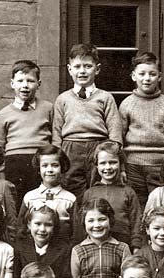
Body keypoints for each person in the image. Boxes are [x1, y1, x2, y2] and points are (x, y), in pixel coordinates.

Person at [52, 43, 123, 202]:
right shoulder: (62, 99)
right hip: (71, 148)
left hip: (98, 148)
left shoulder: (105, 97)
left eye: (87, 66)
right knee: (72, 192)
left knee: (98, 190)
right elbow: (56, 131)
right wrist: (58, 155)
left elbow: (115, 130)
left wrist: (111, 150)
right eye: (77, 66)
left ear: (97, 69)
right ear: (70, 70)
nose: (82, 71)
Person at [119, 52, 164, 206]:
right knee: (137, 205)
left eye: (152, 74)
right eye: (142, 74)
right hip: (133, 166)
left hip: (160, 165)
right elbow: (119, 138)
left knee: (162, 205)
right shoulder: (127, 104)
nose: (147, 78)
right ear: (133, 76)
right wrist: (122, 166)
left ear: (159, 76)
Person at [0, 60, 54, 209]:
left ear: (39, 83)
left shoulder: (48, 108)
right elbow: (0, 147)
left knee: (41, 204)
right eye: (20, 81)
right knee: (16, 204)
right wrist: (2, 176)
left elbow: (55, 138)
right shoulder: (4, 114)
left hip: (40, 162)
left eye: (30, 81)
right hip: (14, 164)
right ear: (12, 83)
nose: (25, 85)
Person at [75, 140, 143, 251]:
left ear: (120, 164)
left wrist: (136, 246)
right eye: (103, 163)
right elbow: (82, 223)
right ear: (96, 165)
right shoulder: (90, 193)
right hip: (95, 244)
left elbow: (136, 221)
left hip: (123, 243)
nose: (108, 167)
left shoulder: (128, 192)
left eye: (113, 162)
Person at [12, 205, 73, 278]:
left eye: (48, 225)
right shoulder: (19, 248)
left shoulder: (64, 250)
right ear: (29, 225)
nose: (42, 229)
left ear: (54, 227)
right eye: (37, 224)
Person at [17, 145, 75, 242]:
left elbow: (76, 232)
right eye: (45, 165)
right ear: (39, 169)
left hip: (62, 251)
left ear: (62, 168)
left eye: (55, 165)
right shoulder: (30, 197)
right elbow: (20, 229)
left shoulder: (70, 199)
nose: (50, 170)